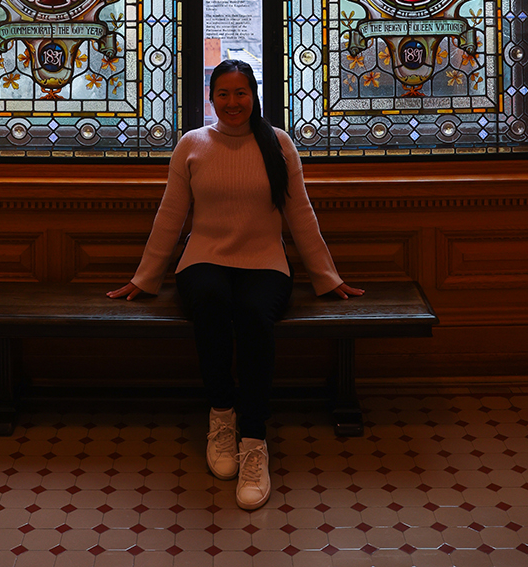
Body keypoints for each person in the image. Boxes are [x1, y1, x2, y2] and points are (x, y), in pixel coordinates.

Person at [107, 60, 363, 510]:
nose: (232, 102)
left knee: (253, 315)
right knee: (210, 302)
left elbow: (300, 213)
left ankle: (254, 440)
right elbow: (171, 215)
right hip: (203, 259)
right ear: (211, 98)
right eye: (223, 94)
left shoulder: (278, 143)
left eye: (240, 93)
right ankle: (222, 415)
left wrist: (328, 277)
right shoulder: (192, 144)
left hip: (265, 261)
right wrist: (144, 278)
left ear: (253, 96)